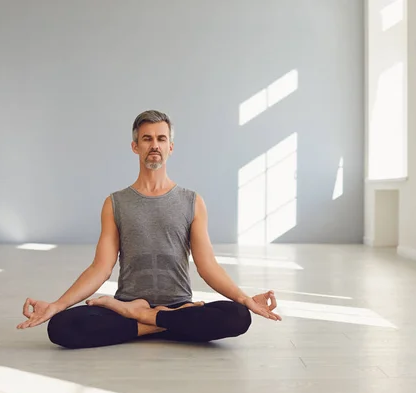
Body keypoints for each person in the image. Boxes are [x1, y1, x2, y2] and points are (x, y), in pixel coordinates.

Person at [16, 110, 282, 349]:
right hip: (127, 303)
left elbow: (208, 265)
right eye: (147, 139)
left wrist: (245, 299)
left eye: (161, 138)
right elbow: (100, 268)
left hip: (178, 305)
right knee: (61, 327)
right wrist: (57, 305)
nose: (154, 145)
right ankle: (167, 324)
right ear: (135, 146)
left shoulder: (192, 201)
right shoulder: (115, 203)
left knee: (238, 316)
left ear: (171, 147)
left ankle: (143, 319)